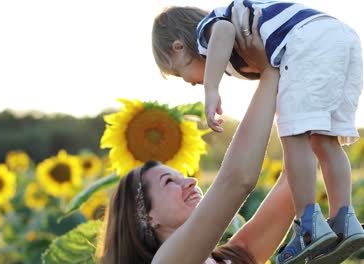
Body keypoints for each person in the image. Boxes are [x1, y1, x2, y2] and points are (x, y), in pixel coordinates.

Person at [152, 1, 364, 263]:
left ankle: (309, 225)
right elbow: (274, 71)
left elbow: (224, 31)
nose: (192, 82)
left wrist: (211, 88)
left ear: (179, 47)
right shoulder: (243, 51)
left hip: (306, 39)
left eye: (180, 73)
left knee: (294, 136)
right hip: (341, 40)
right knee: (325, 141)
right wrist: (265, 70)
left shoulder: (207, 32)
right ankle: (345, 219)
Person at [98, 11, 295, 264]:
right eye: (169, 181)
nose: (190, 183)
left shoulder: (232, 257)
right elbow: (236, 181)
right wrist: (269, 70)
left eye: (183, 178)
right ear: (147, 216)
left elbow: (291, 186)